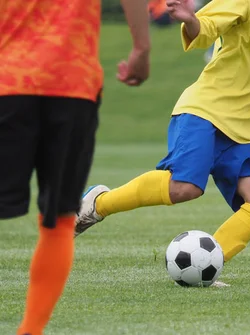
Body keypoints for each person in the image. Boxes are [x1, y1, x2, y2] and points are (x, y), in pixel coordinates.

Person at [74, 0, 250, 282]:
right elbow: (204, 28)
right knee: (185, 187)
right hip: (206, 110)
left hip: (244, 131)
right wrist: (190, 20)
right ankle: (99, 203)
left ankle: (208, 266)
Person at [0, 0, 151, 333]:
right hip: (71, 84)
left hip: (8, 80)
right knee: (59, 218)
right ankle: (31, 330)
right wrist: (141, 48)